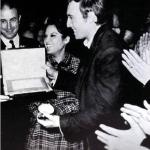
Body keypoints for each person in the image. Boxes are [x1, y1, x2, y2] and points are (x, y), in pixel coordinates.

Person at [35, 0, 126, 149]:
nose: (68, 24)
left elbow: (103, 108)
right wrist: (57, 75)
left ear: (91, 17)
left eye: (71, 17)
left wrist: (59, 122)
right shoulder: (99, 43)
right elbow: (87, 83)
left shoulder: (109, 50)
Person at [26, 17, 84, 150]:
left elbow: (81, 100)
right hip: (40, 133)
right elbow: (28, 96)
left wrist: (53, 110)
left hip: (66, 135)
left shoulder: (78, 65)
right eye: (45, 36)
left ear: (66, 39)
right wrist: (38, 111)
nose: (46, 40)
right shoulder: (39, 63)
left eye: (53, 35)